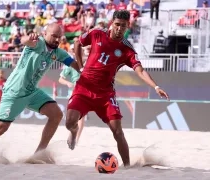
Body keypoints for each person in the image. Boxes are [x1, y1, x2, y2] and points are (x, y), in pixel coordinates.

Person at [66, 10, 169, 167]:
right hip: (84, 88)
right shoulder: (97, 33)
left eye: (123, 26)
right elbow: (77, 43)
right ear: (111, 23)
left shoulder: (127, 49)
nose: (119, 28)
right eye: (117, 25)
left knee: (118, 131)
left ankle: (127, 166)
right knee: (69, 122)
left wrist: (155, 86)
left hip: (105, 95)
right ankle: (74, 133)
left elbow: (139, 70)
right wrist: (80, 67)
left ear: (128, 26)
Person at [0, 23, 81, 161]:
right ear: (45, 34)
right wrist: (28, 38)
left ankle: (39, 154)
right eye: (54, 36)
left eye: (59, 37)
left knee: (56, 114)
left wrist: (84, 72)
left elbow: (73, 63)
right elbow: (23, 41)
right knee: (0, 128)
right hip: (15, 91)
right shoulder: (37, 43)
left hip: (31, 91)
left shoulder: (58, 52)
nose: (57, 40)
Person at [59, 60, 86, 144]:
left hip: (85, 94)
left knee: (81, 118)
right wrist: (67, 83)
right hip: (73, 93)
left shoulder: (89, 64)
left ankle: (76, 140)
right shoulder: (71, 65)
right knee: (71, 119)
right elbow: (60, 79)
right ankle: (72, 134)